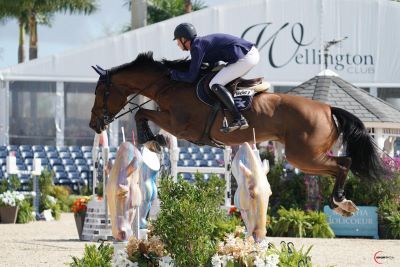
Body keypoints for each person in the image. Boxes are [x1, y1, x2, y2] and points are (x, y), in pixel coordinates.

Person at [170, 23, 260, 133]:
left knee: (215, 84)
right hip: (249, 54)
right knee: (216, 80)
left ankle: (239, 118)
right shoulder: (200, 44)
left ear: (184, 39)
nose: (178, 44)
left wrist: (172, 74)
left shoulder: (196, 47)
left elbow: (191, 77)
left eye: (178, 40)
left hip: (246, 57)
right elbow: (213, 64)